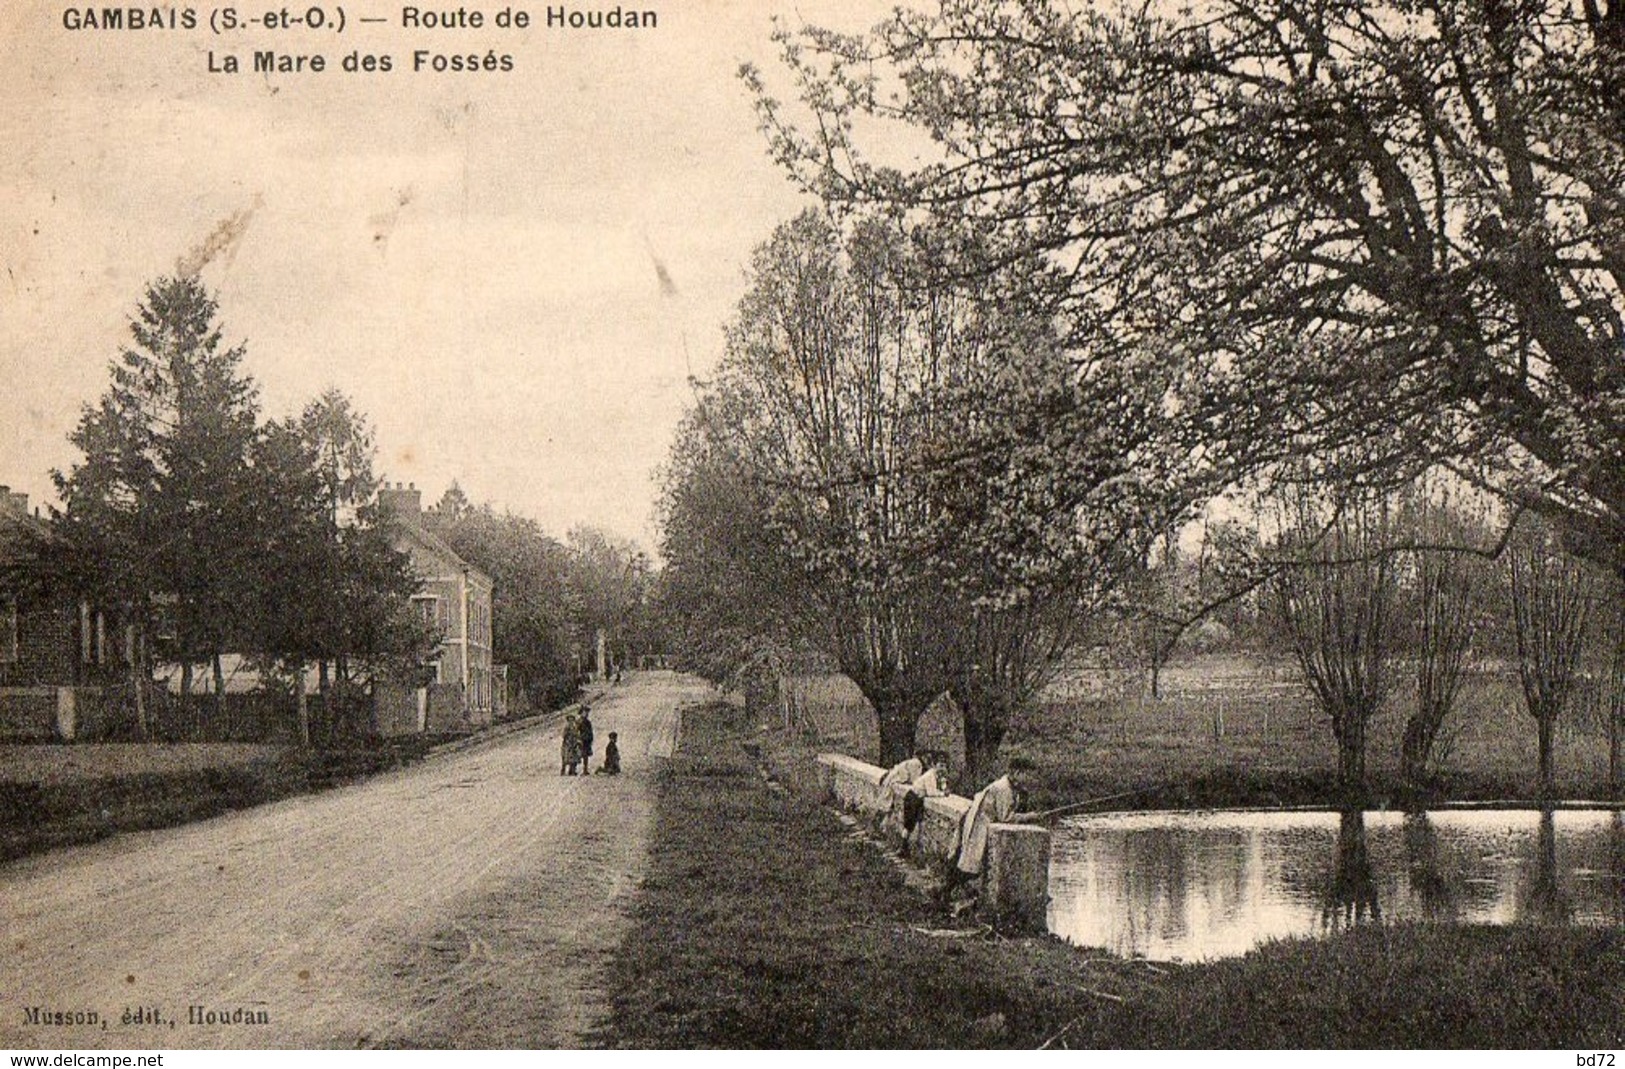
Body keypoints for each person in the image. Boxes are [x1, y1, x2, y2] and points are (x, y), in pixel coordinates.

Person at [946, 761, 1038, 899]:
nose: (1029, 779)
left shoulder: (1009, 787)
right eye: (1027, 775)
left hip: (978, 820)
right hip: (978, 824)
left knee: (968, 861)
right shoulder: (1003, 788)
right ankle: (948, 892)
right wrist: (1029, 817)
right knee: (972, 862)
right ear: (1017, 773)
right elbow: (1005, 817)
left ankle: (949, 891)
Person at [578, 705, 595, 774]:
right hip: (581, 740)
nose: (586, 714)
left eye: (587, 712)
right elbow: (576, 731)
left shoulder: (588, 722)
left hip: (587, 740)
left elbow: (590, 731)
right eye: (585, 712)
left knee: (586, 755)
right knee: (578, 754)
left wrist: (591, 739)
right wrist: (578, 739)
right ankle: (572, 769)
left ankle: (585, 769)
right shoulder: (579, 721)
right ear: (581, 713)